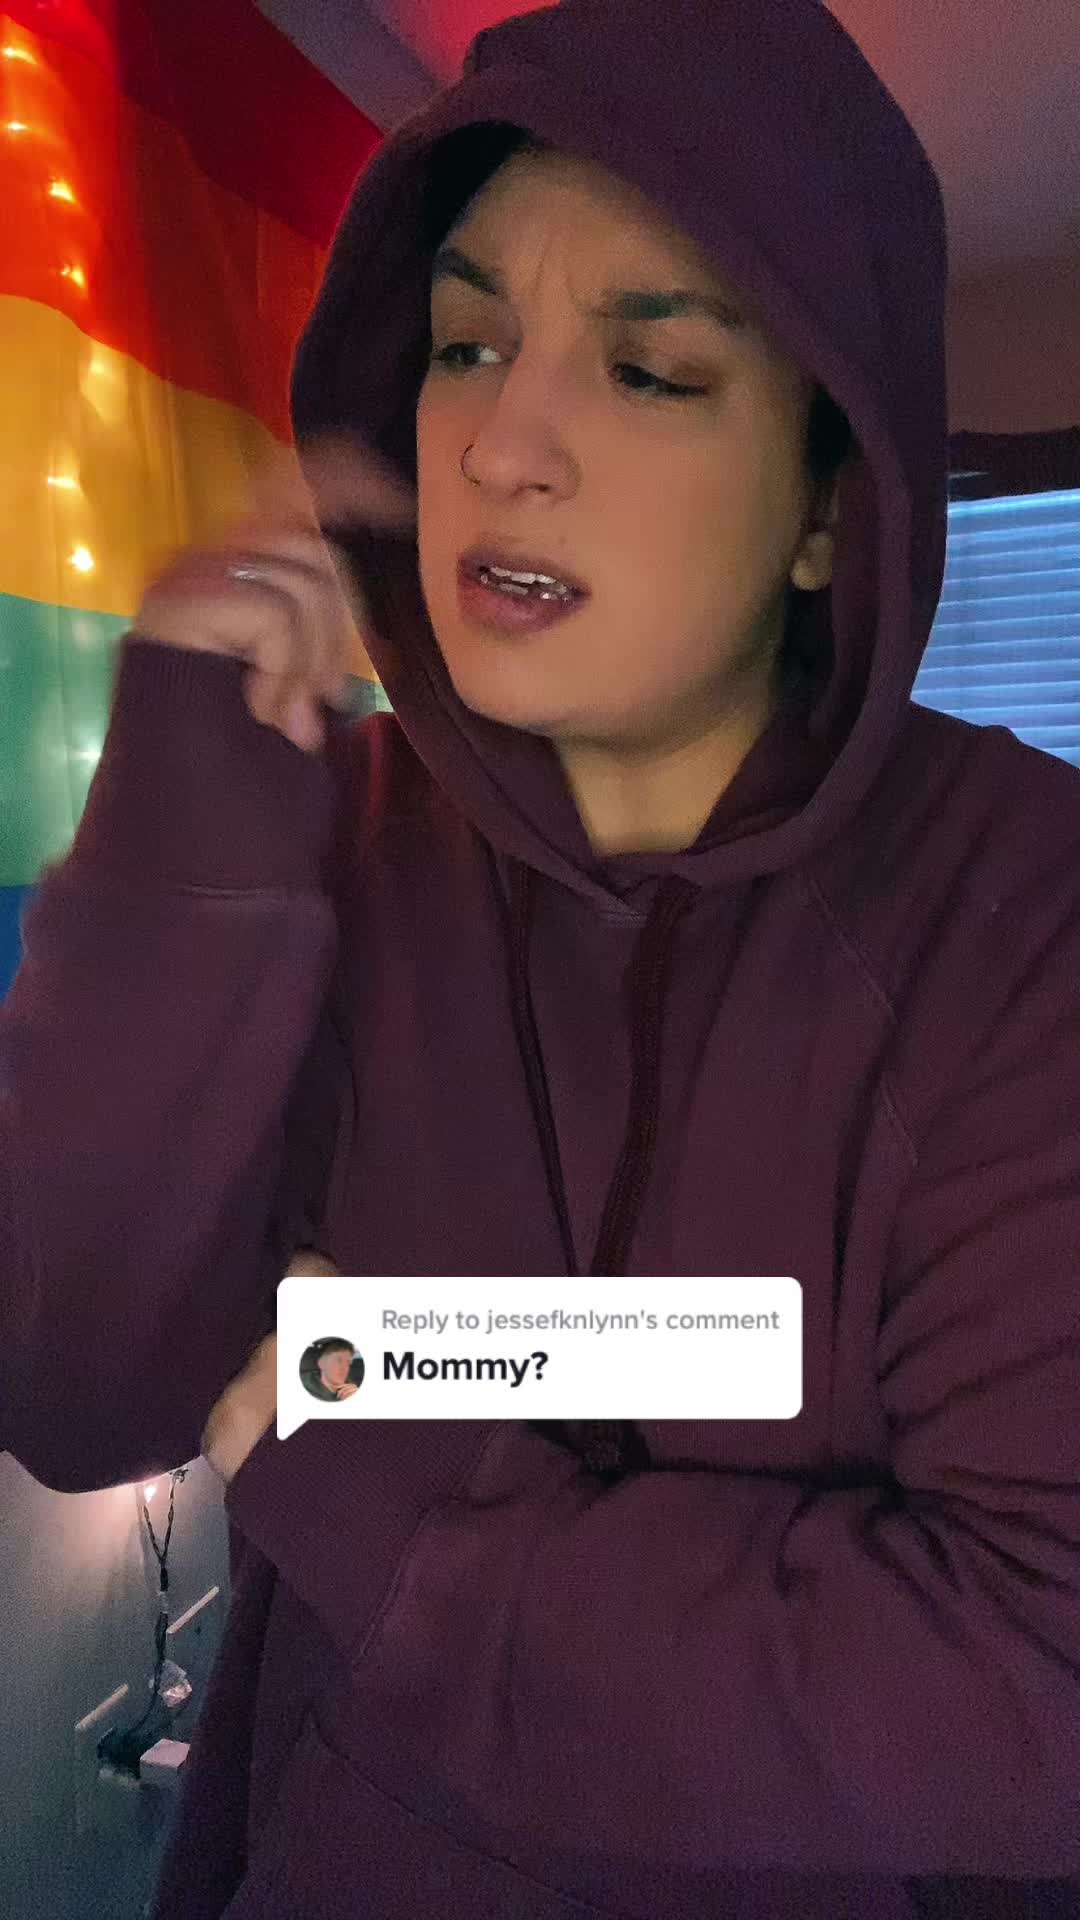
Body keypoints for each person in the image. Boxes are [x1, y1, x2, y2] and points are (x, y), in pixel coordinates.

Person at [1, 0, 1078, 1915]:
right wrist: (181, 836)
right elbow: (78, 1394)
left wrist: (368, 1456)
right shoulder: (313, 832)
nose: (502, 445)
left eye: (649, 369)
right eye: (467, 344)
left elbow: (1028, 1689)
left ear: (827, 506)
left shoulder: (1026, 910)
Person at [301, 1338, 360, 1403]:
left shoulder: (352, 1388)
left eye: (348, 1363)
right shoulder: (308, 1391)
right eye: (338, 1360)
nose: (344, 1368)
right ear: (321, 1363)